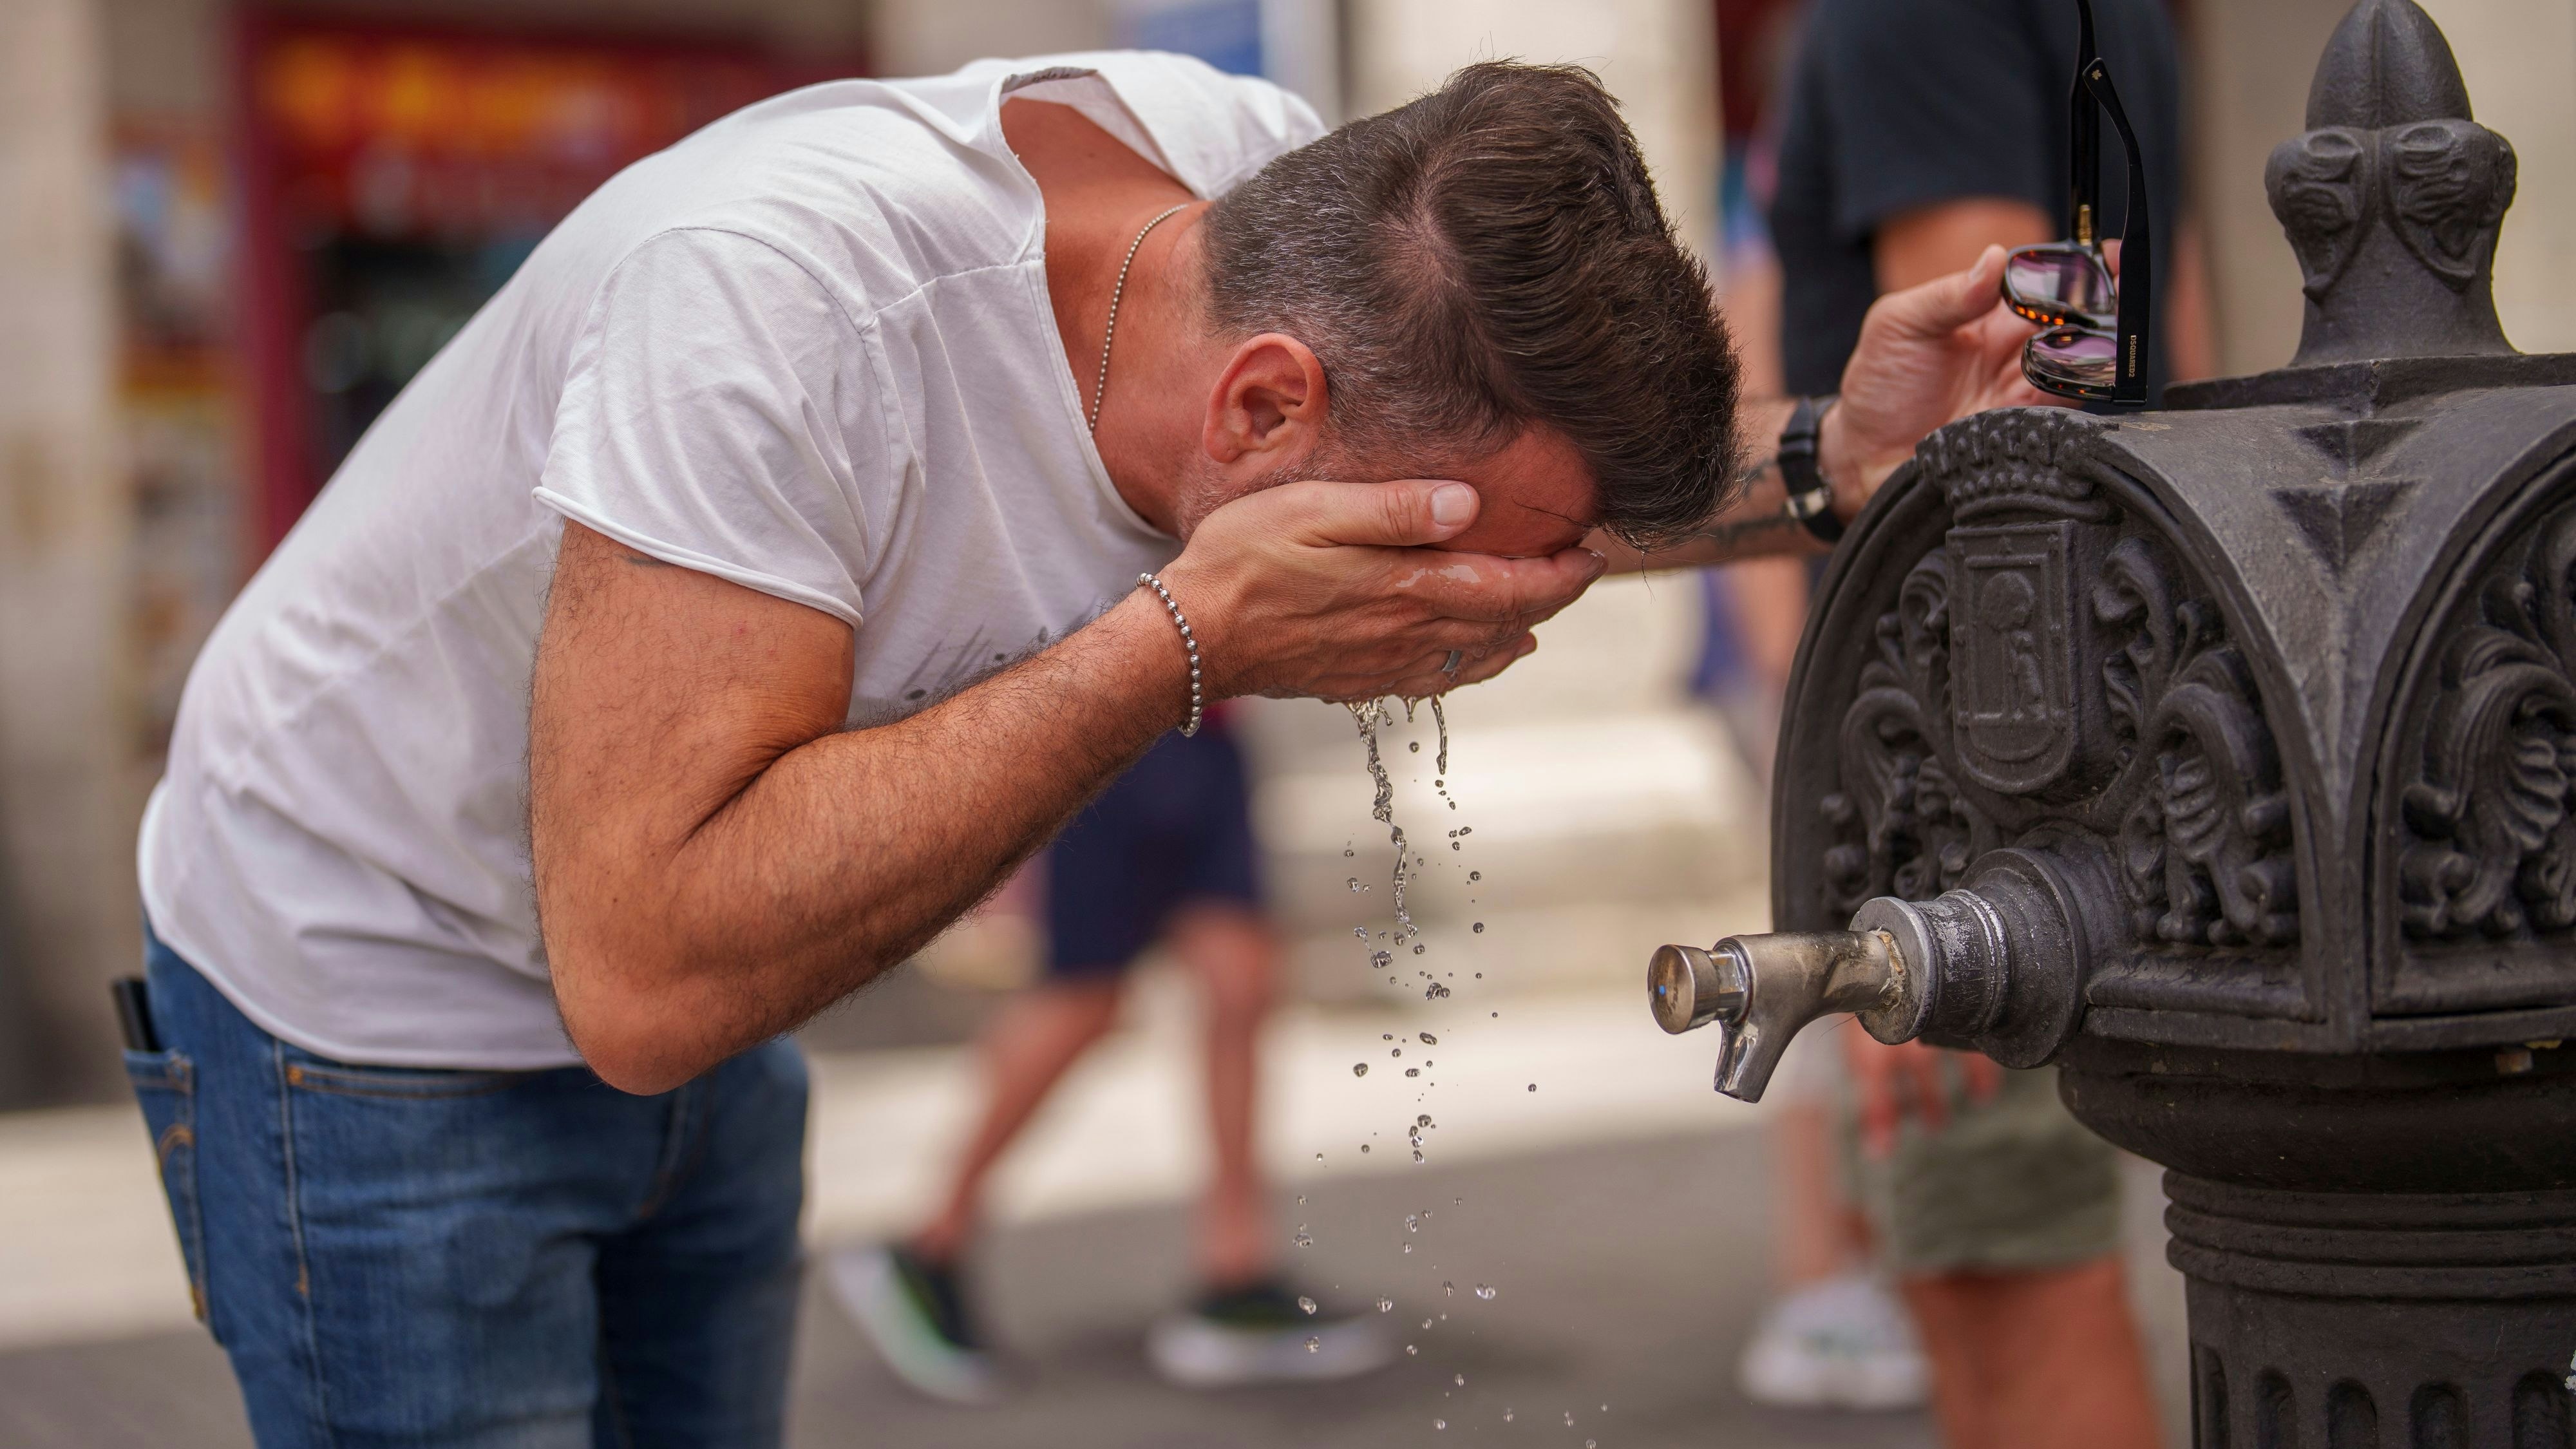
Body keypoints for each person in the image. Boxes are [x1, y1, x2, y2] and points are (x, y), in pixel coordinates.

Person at [126, 48, 2048, 1444]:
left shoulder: (1280, 216)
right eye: (1422, 557)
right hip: (363, 987)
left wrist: (1829, 460)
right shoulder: (771, 318)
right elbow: (642, 972)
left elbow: (1510, 499)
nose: (1471, 610)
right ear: (1264, 407)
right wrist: (1178, 646)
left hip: (709, 976)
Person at [1763, 1, 2206, 1443]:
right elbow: (2160, 357)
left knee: (2006, 1285)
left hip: (1989, 770)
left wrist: (1943, 858)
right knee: (2000, 1271)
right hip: (2089, 722)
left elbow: (1993, 418)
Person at [831, 705, 1390, 1398]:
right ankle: (929, 1245)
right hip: (1101, 730)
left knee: (1240, 980)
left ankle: (1236, 1274)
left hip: (1208, 727)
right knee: (1086, 999)